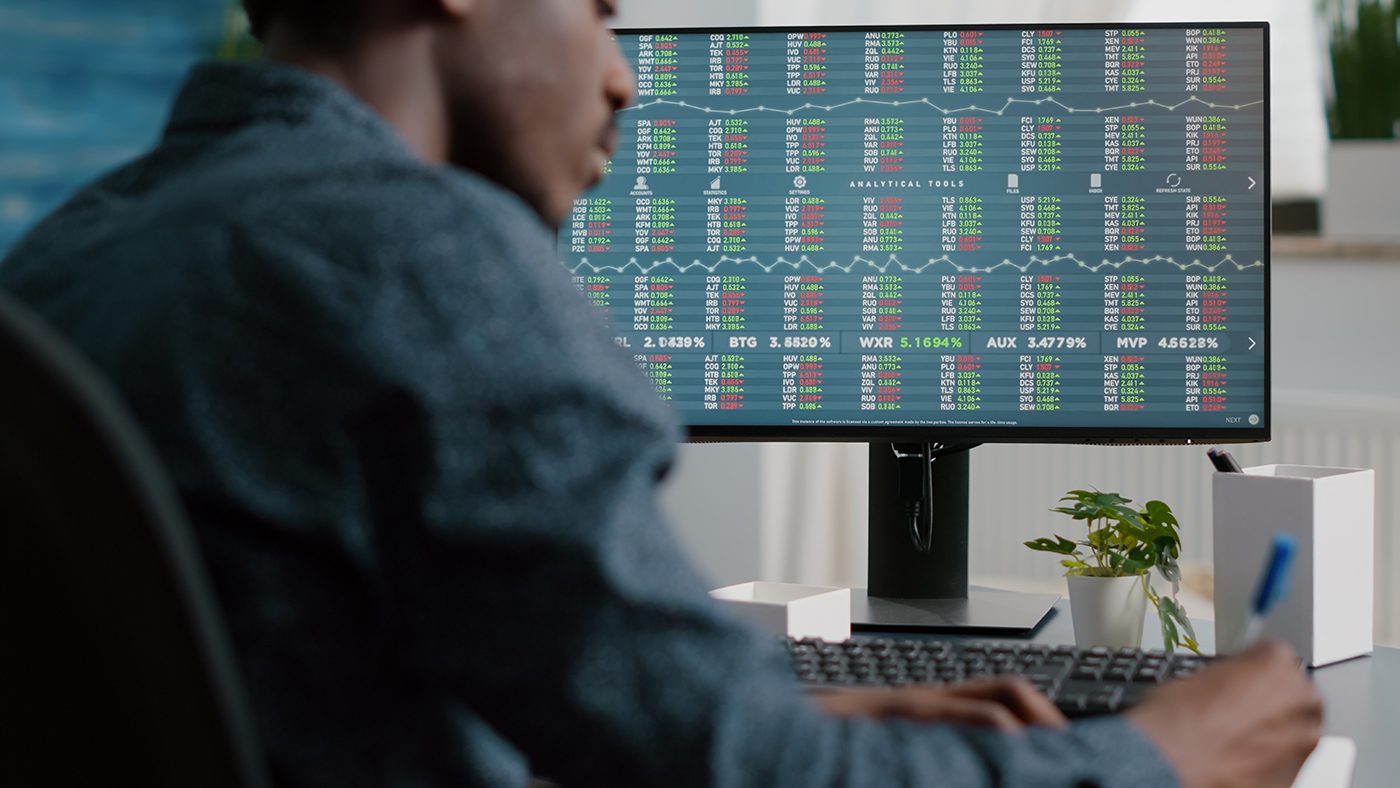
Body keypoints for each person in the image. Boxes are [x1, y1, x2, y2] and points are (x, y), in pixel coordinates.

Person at [0, 1, 1322, 786]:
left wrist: (756, 704)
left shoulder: (80, 252)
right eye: (602, 9)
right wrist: (1159, 753)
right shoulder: (413, 249)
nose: (625, 75)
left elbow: (324, 685)